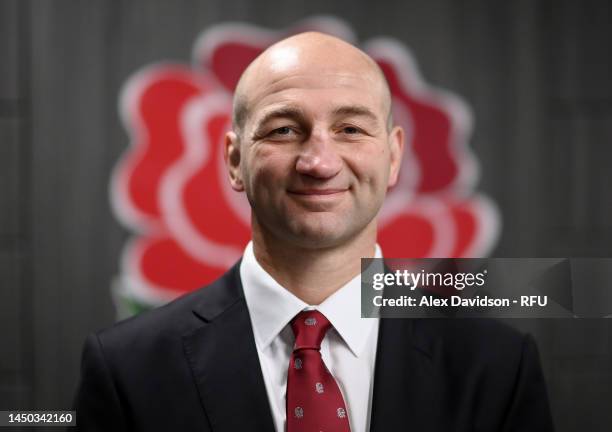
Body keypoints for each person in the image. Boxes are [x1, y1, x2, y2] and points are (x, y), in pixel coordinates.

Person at [73, 32, 554, 431]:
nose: (319, 162)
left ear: (394, 157)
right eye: (283, 130)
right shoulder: (126, 369)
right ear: (235, 160)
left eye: (350, 129)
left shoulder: (498, 369)